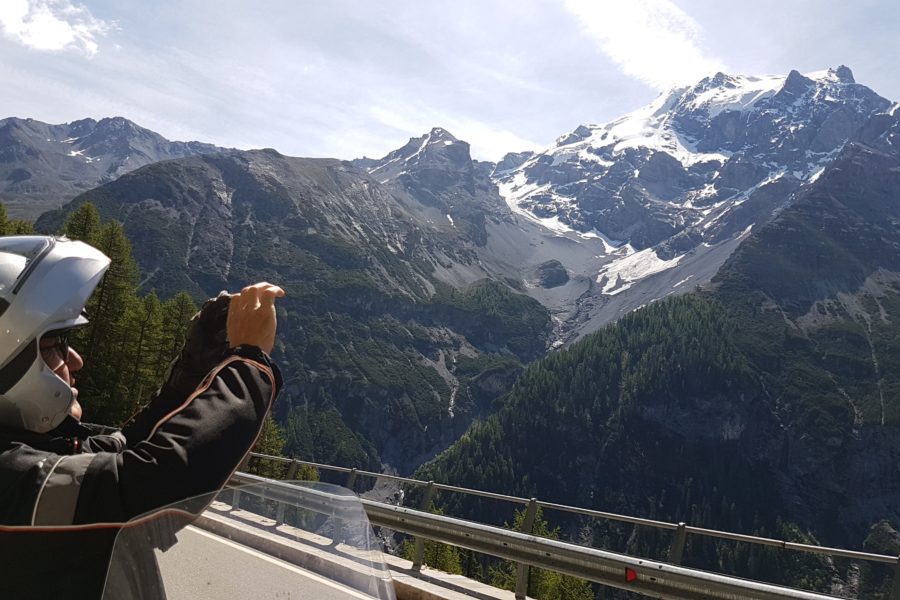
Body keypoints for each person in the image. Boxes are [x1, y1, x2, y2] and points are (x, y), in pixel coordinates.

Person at [0, 235, 284, 598]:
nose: (75, 361)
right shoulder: (12, 479)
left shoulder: (35, 452)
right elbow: (151, 481)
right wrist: (249, 362)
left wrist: (194, 370)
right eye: (56, 345)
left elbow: (128, 444)